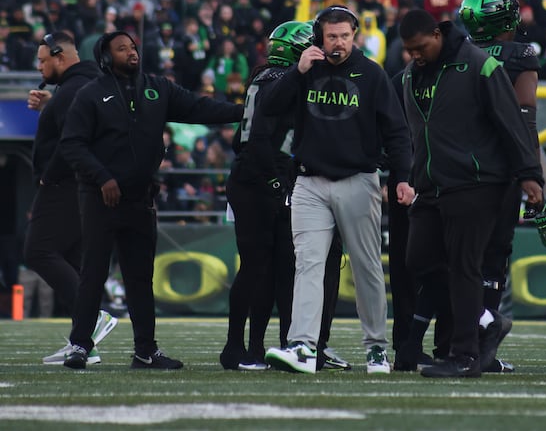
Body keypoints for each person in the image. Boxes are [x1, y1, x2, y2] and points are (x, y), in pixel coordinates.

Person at [59, 30, 244, 369]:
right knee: (94, 273)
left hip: (140, 198)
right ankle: (80, 345)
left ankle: (146, 350)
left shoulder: (158, 87)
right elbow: (72, 144)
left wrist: (245, 112)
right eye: (121, 48)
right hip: (100, 197)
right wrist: (104, 178)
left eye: (132, 46)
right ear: (104, 56)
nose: (131, 52)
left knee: (141, 277)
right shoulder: (90, 94)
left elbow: (200, 107)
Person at [264, 6, 414, 374]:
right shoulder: (304, 70)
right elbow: (269, 107)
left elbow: (396, 132)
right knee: (309, 265)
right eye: (331, 36)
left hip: (358, 180)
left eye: (345, 36)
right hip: (310, 181)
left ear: (354, 35)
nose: (338, 43)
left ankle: (376, 348)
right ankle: (302, 345)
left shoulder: (372, 75)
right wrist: (296, 73)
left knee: (366, 268)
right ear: (319, 37)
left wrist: (403, 177)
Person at [398, 8, 544, 378]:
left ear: (437, 34)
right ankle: (484, 318)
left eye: (419, 47)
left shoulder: (478, 64)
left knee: (464, 266)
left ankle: (464, 355)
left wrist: (529, 174)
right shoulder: (411, 75)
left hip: (476, 181)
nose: (414, 54)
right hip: (431, 184)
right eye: (408, 49)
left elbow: (511, 119)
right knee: (419, 258)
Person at [220, 21, 351, 372]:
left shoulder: (263, 77)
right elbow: (259, 140)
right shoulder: (283, 80)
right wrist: (278, 184)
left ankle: (275, 347)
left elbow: (240, 140)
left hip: (259, 177)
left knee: (276, 268)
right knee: (261, 268)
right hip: (260, 180)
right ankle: (241, 349)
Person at [459, 0, 542, 373]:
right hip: (502, 169)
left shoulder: (457, 52)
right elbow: (525, 116)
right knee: (493, 258)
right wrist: (532, 171)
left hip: (459, 165)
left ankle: (465, 340)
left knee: (461, 256)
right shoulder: (520, 55)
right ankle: (483, 336)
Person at [24, 32, 119, 365]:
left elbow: (72, 141)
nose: (39, 66)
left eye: (42, 60)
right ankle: (83, 343)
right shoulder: (84, 85)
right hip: (83, 185)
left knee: (38, 251)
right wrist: (51, 107)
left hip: (66, 183)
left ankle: (93, 319)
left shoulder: (72, 90)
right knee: (73, 260)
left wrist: (48, 177)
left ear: (59, 57)